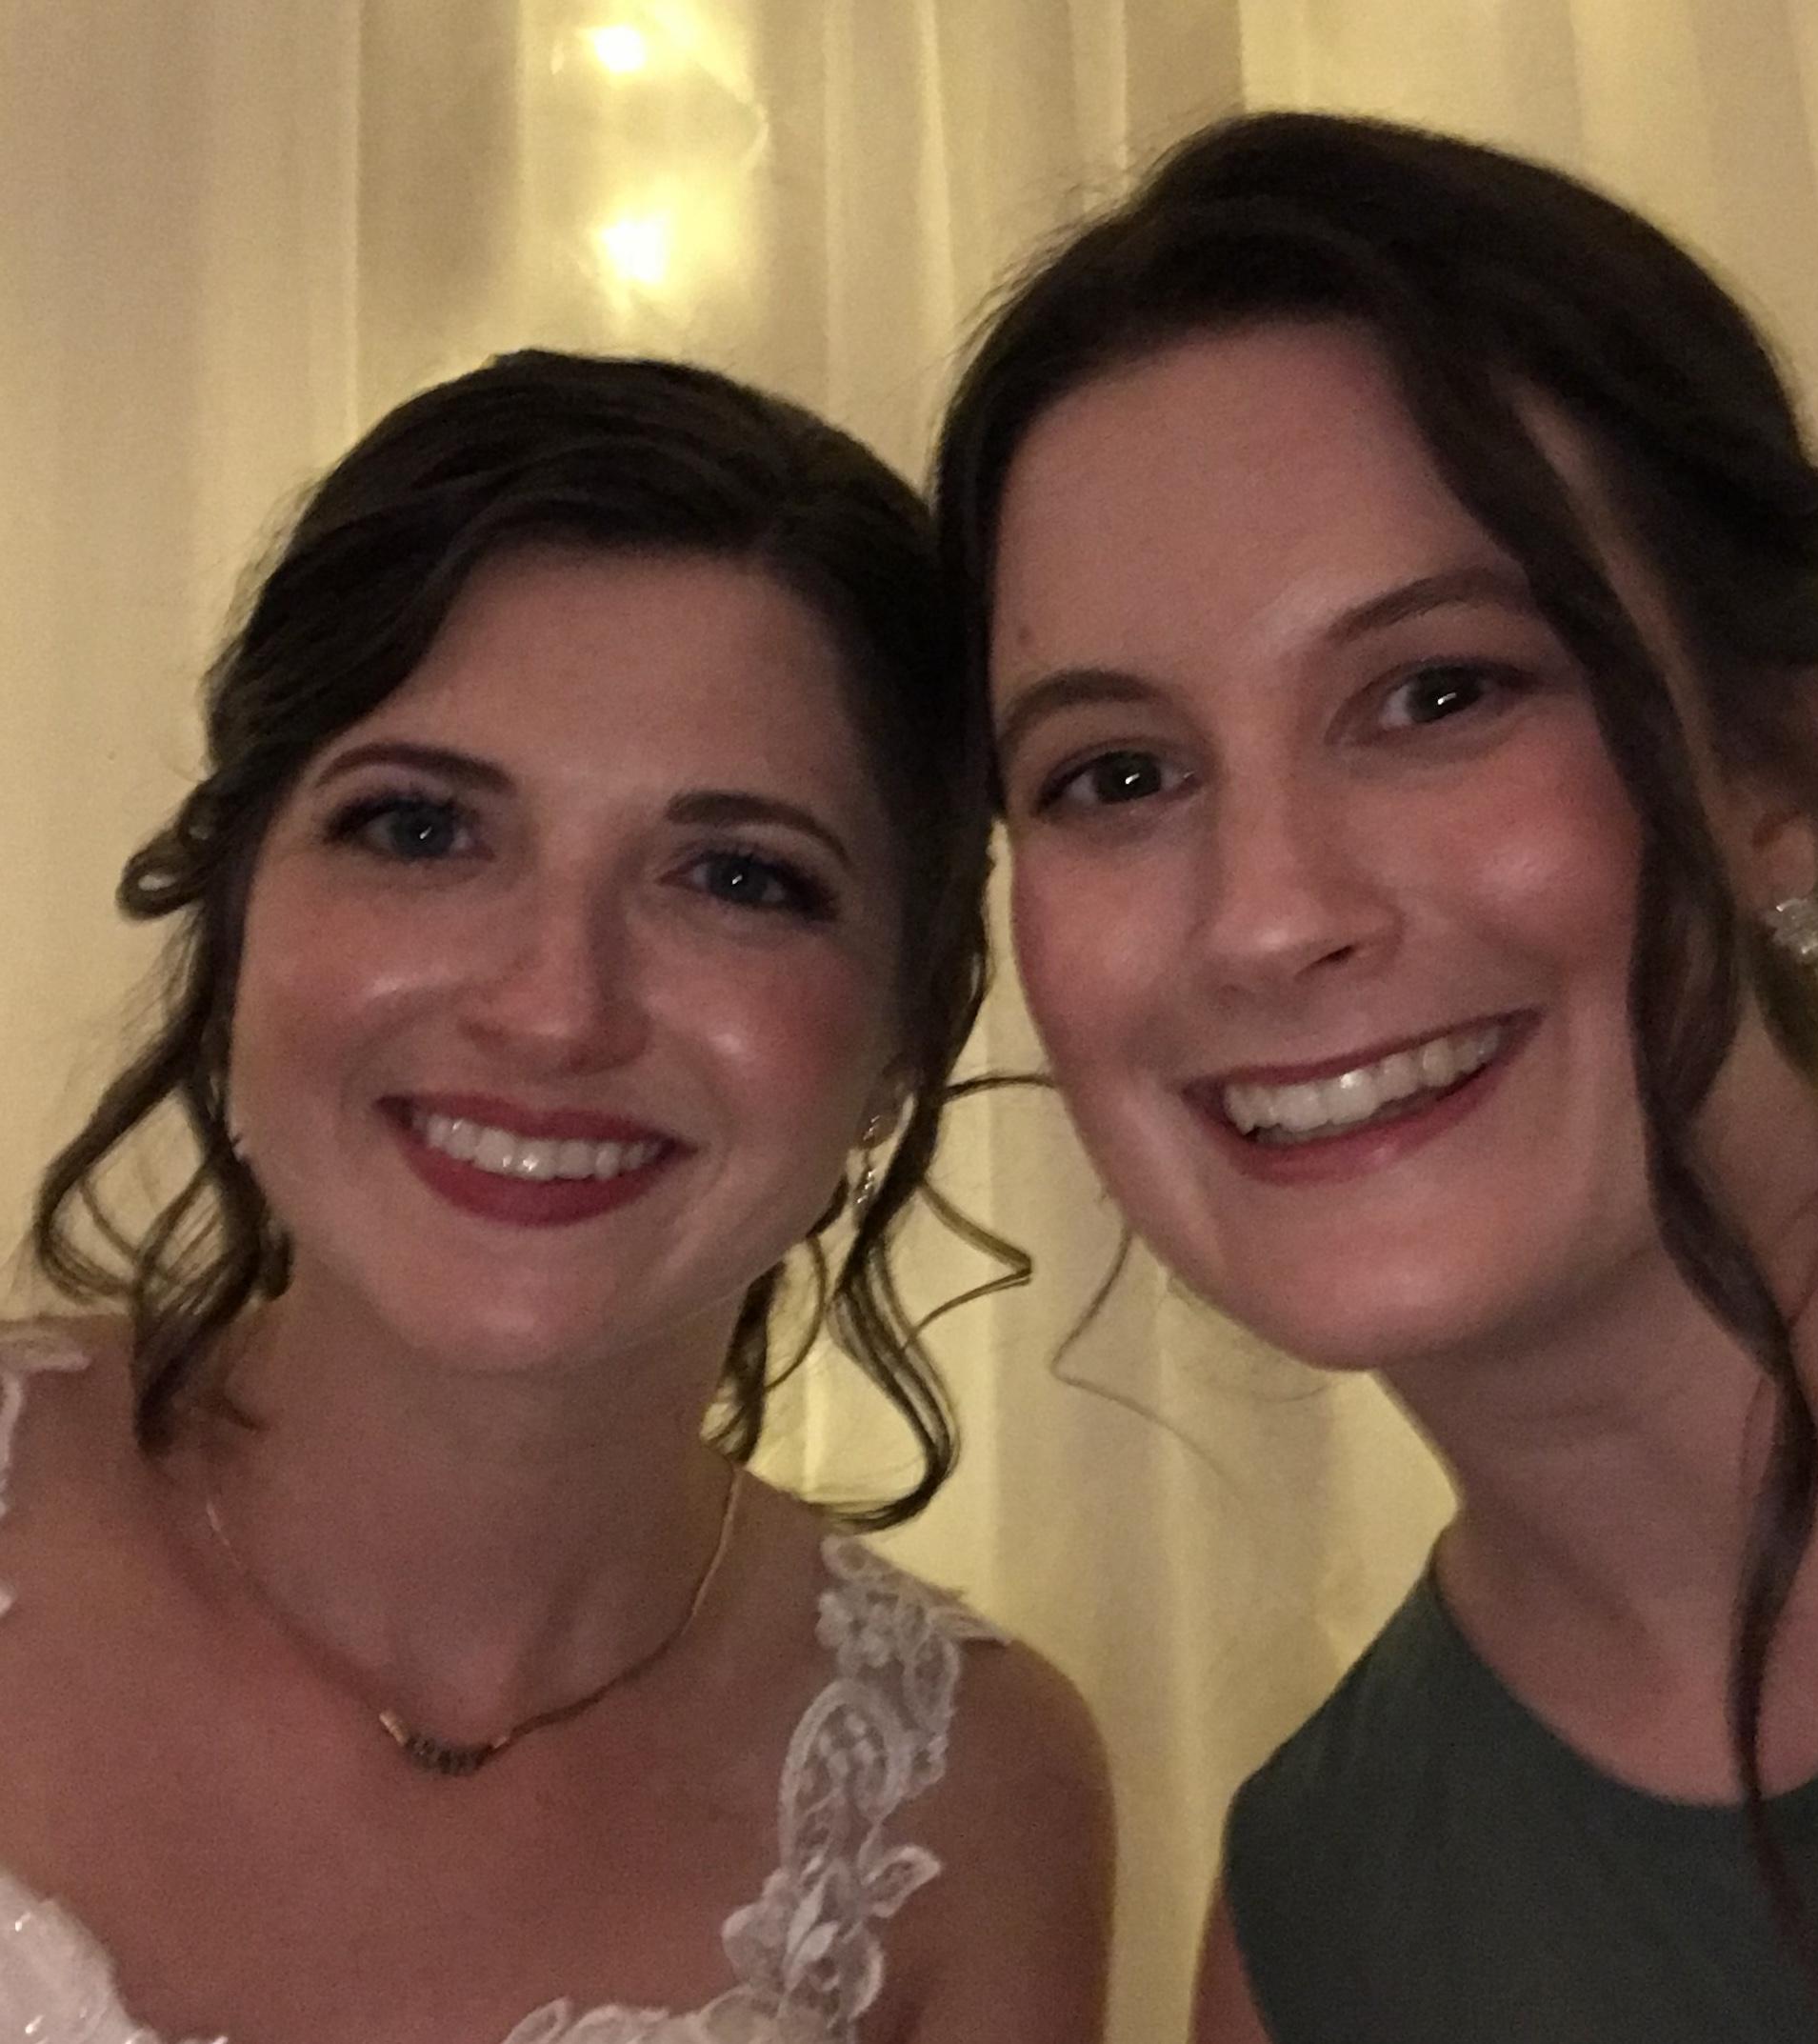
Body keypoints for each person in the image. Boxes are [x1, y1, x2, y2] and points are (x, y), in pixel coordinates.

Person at [934, 111, 1818, 2042]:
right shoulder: (1310, 1937)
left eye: (1437, 692)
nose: (1266, 917)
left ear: (1776, 774)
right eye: (1115, 774)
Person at [7, 350, 1110, 2044]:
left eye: (736, 875)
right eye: (421, 831)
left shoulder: (974, 1814)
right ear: (237, 903)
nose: (553, 1007)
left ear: (910, 1024)